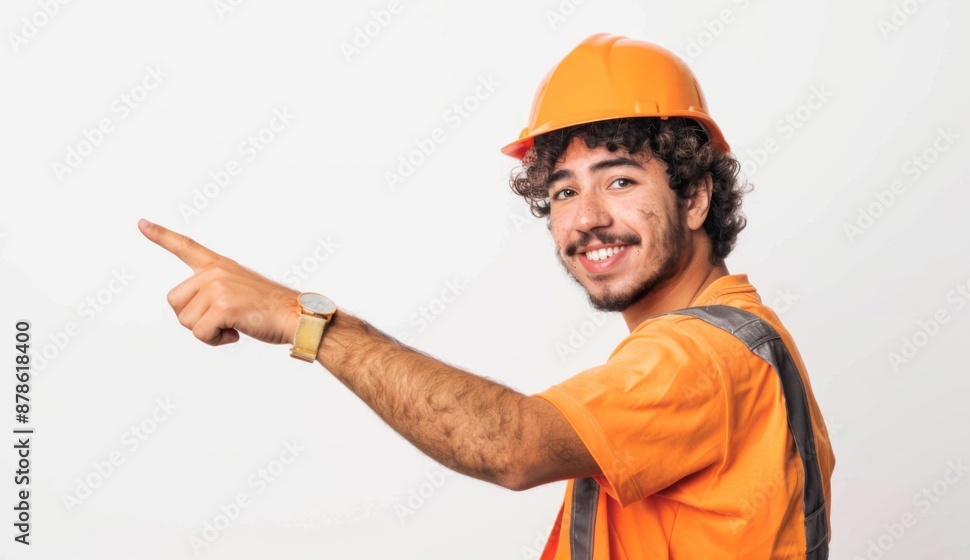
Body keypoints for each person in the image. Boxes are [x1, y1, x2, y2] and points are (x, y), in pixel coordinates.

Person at [138, 33, 834, 559]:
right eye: (564, 191)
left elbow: (513, 446)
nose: (586, 215)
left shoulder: (701, 358)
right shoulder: (730, 345)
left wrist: (303, 319)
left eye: (619, 180)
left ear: (695, 198)